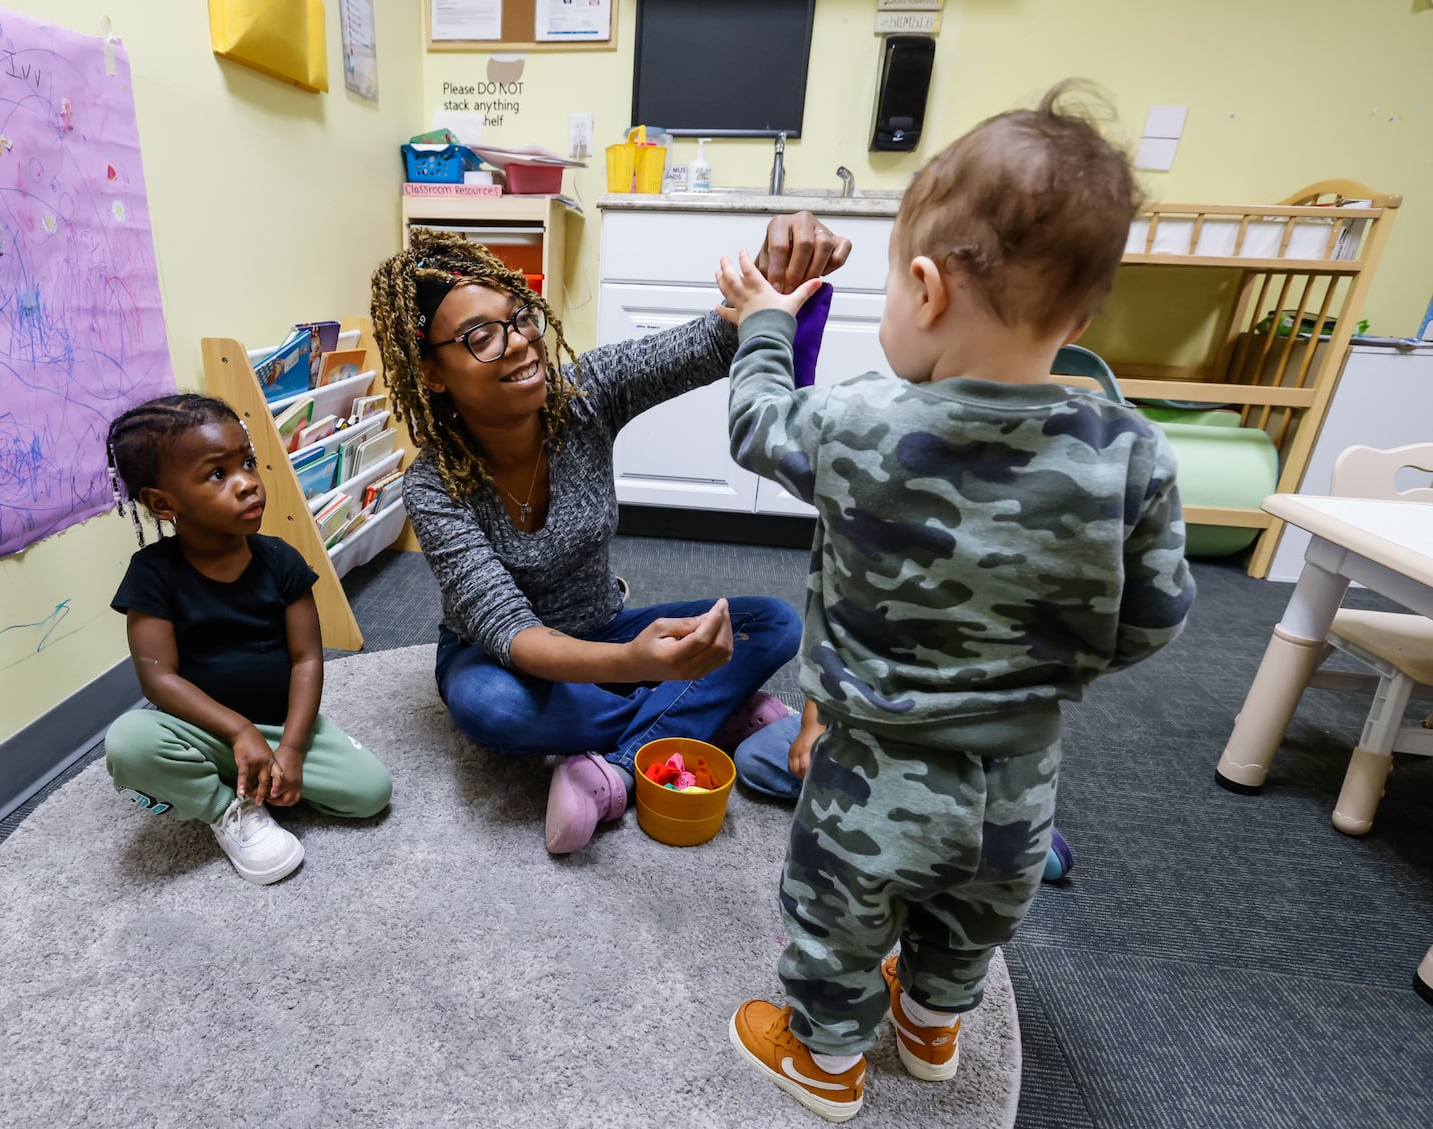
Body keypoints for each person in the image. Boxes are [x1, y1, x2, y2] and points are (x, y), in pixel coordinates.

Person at [717, 83, 1196, 1122]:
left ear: (925, 288)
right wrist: (1042, 662)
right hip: (1020, 774)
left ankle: (826, 1060)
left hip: (870, 767)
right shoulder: (1132, 450)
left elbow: (758, 424)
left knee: (836, 920)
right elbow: (1156, 617)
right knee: (969, 917)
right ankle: (933, 1030)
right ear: (1079, 313)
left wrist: (762, 323)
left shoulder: (859, 422)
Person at [369, 214, 851, 855]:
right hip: (502, 662)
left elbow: (714, 341)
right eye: (481, 336)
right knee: (491, 710)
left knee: (772, 623)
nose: (518, 343)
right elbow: (513, 634)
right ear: (432, 373)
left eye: (520, 318)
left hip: (604, 626)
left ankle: (618, 765)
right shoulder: (431, 487)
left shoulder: (585, 396)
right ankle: (705, 712)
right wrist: (638, 664)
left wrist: (774, 271)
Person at [102, 393, 392, 885]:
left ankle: (269, 775)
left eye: (248, 462)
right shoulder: (151, 576)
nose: (248, 483)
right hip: (205, 734)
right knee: (129, 744)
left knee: (371, 792)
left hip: (280, 727)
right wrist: (238, 733)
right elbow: (159, 681)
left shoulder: (281, 560)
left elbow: (305, 660)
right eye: (219, 474)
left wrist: (294, 750)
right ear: (163, 503)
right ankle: (227, 807)